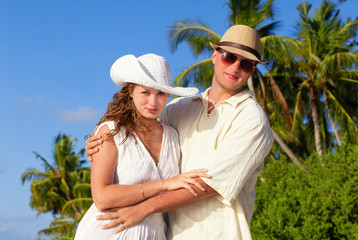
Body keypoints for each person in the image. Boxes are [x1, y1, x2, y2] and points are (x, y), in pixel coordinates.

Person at [86, 25, 274, 239]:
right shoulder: (180, 108)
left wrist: (143, 208)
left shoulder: (252, 119)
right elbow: (136, 135)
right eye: (230, 57)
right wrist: (98, 144)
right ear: (215, 56)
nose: (235, 67)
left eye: (246, 63)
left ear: (252, 70)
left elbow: (208, 184)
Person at [74, 53, 211, 240]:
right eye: (145, 92)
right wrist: (164, 184)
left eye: (161, 94)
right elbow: (102, 197)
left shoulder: (172, 135)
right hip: (107, 233)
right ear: (130, 90)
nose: (153, 103)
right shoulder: (111, 131)